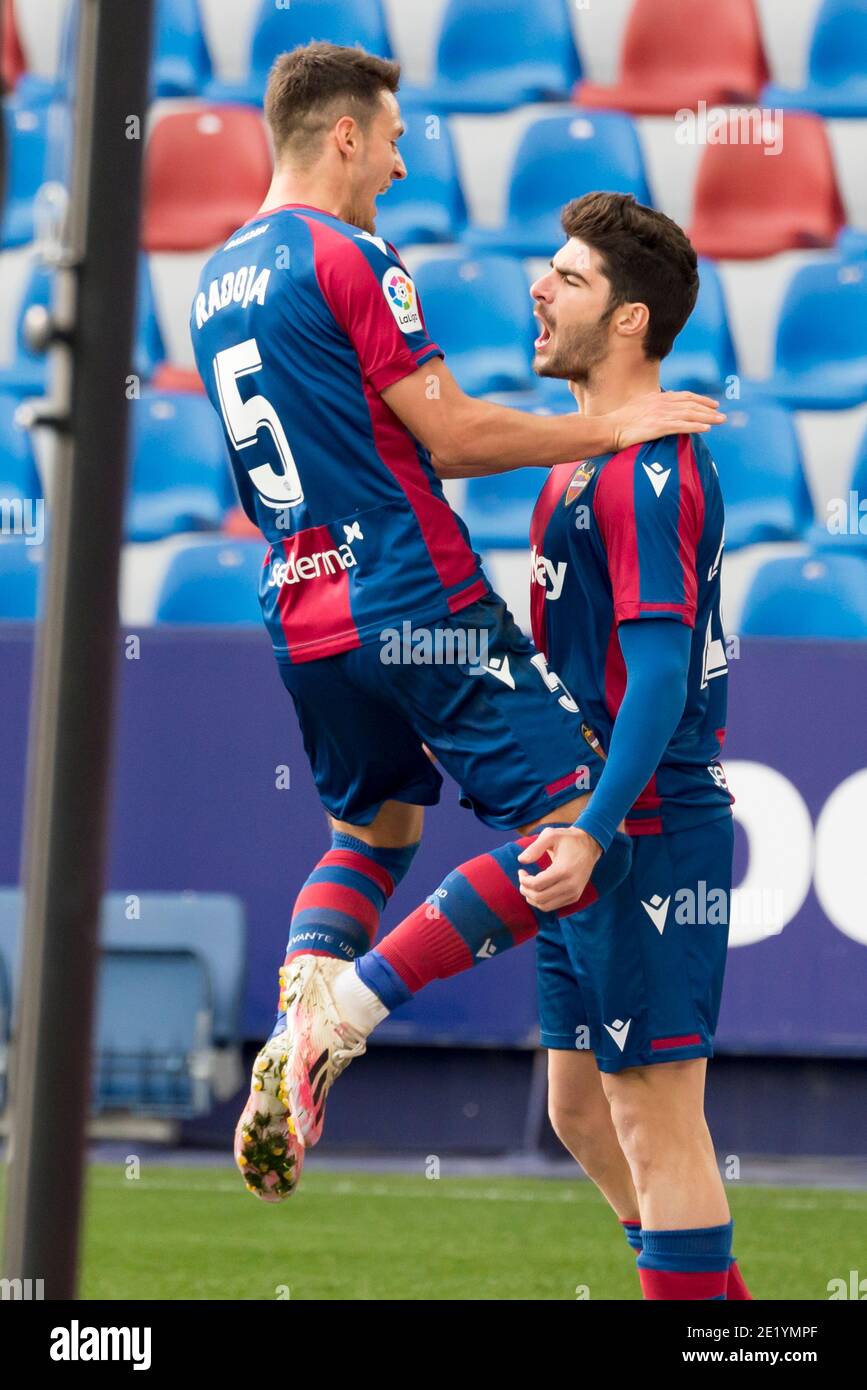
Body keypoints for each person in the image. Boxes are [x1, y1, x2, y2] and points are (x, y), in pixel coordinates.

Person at [189, 41, 722, 1205]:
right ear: (341, 134)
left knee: (374, 829)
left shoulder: (211, 277)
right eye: (387, 137)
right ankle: (343, 1015)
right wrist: (606, 431)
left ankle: (303, 1001)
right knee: (585, 836)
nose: (396, 159)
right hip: (411, 595)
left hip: (300, 611)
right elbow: (455, 440)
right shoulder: (348, 254)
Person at [296, 191, 749, 1300]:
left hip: (643, 823)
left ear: (633, 321)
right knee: (582, 1108)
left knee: (656, 1120)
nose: (536, 287)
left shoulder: (650, 474)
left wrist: (592, 829)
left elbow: (654, 680)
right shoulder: (576, 459)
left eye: (570, 277)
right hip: (598, 812)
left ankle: (337, 1017)